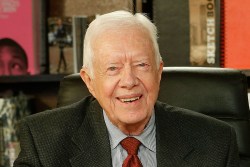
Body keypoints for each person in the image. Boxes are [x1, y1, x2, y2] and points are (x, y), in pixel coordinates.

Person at [14, 10, 239, 166]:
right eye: (113, 68)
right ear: (89, 81)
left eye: (142, 65)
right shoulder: (43, 142)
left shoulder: (215, 143)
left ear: (159, 72)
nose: (129, 81)